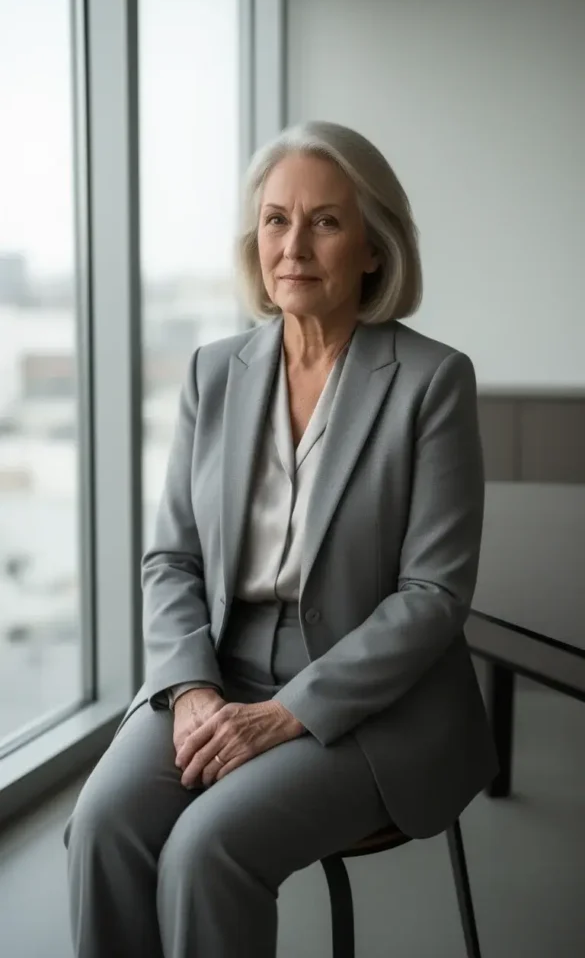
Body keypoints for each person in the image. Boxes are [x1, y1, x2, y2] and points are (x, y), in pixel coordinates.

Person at [64, 120, 498, 958]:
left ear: (373, 248)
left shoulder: (432, 380)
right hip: (218, 668)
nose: (293, 246)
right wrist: (191, 689)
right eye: (275, 220)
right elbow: (172, 559)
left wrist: (286, 714)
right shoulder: (213, 372)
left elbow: (432, 597)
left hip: (373, 700)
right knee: (103, 828)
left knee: (206, 850)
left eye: (325, 221)